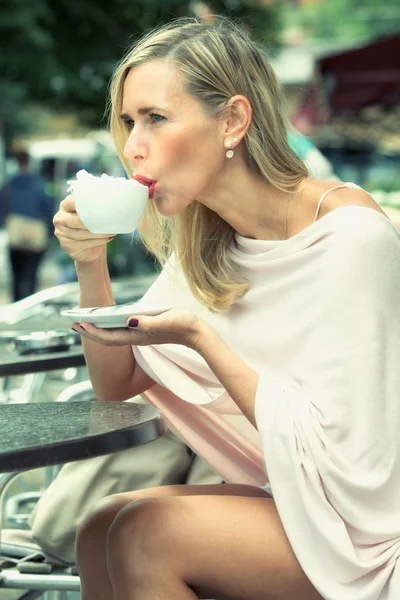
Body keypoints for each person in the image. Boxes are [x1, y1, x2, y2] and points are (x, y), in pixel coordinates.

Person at [53, 17, 400, 600]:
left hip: (371, 529)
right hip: (299, 498)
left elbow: (356, 467)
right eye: (128, 122)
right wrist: (92, 264)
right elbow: (117, 384)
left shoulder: (351, 237)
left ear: (233, 120)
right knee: (97, 527)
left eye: (156, 119)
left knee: (146, 534)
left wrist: (199, 337)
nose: (133, 145)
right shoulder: (208, 245)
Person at [0, 150, 54, 301]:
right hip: (35, 237)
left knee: (16, 276)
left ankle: (16, 306)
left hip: (15, 236)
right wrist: (50, 233)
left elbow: (2, 210)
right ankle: (29, 306)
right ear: (29, 163)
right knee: (31, 275)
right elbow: (48, 210)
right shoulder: (39, 184)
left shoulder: (8, 186)